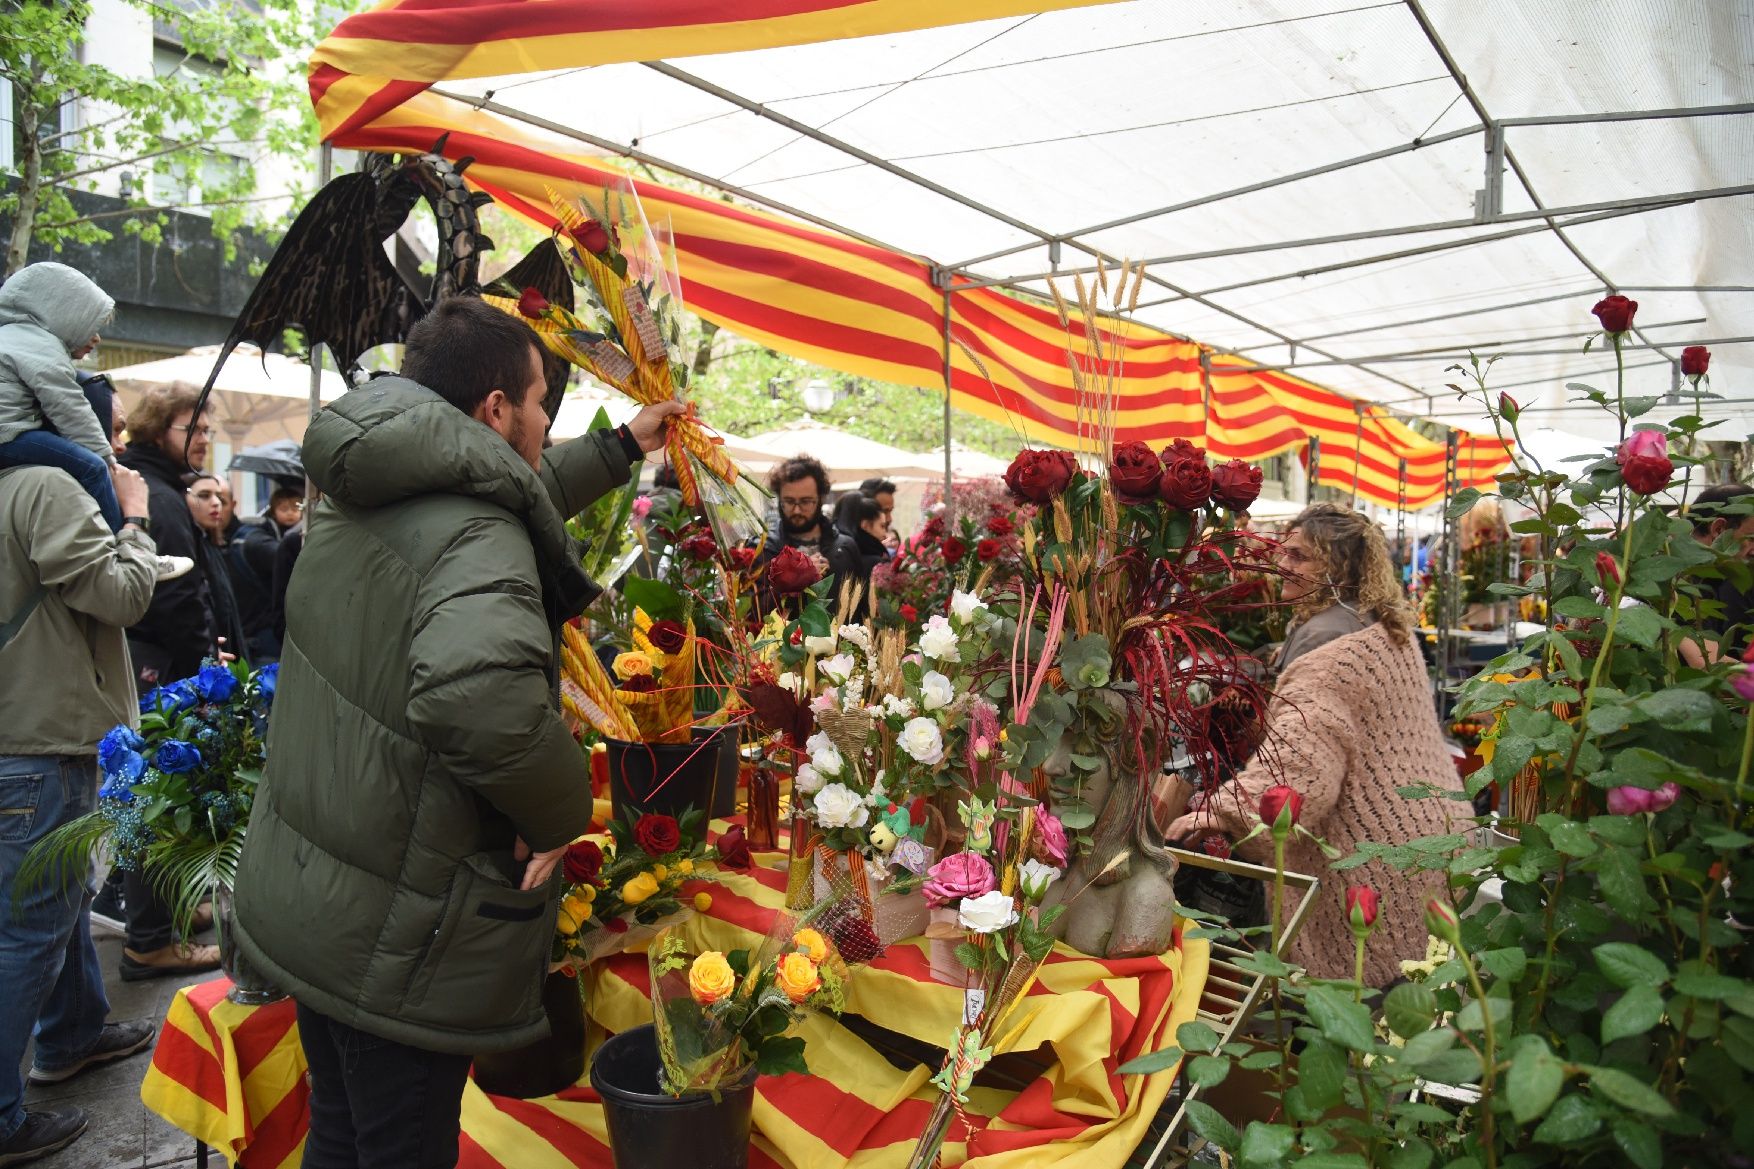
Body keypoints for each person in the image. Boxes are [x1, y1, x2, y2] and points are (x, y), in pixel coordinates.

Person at [231, 296, 681, 1169]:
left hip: (321, 894)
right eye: (542, 399)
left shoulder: (376, 482)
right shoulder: (477, 531)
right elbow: (474, 698)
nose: (550, 420)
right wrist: (560, 810)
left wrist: (624, 444)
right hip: (397, 918)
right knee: (398, 1148)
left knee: (342, 1134)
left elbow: (509, 494)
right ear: (494, 411)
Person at [1168, 503, 1461, 987]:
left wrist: (1217, 810)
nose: (1282, 566)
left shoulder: (1328, 638)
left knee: (1353, 1008)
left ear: (1338, 567)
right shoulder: (1374, 622)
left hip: (1374, 844)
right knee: (1412, 1007)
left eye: (1300, 557)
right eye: (1284, 554)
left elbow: (1301, 763)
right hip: (1425, 831)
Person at [0, 420, 161, 1163]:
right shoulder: (45, 485)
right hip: (42, 740)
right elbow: (124, 595)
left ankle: (72, 1032)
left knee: (53, 912)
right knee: (27, 931)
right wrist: (134, 518)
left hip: (23, 735)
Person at [112, 382, 226, 981]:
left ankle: (168, 916)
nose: (204, 439)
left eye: (208, 429)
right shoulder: (155, 495)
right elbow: (178, 600)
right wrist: (207, 671)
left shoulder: (158, 489)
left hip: (158, 667)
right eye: (193, 428)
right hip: (162, 673)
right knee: (153, 805)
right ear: (161, 431)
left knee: (157, 803)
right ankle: (150, 938)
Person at [0, 262, 125, 533]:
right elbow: (70, 410)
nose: (97, 339)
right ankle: (123, 550)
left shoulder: (13, 336)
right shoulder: (41, 346)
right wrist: (107, 459)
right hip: (6, 436)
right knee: (93, 468)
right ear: (63, 315)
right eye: (89, 326)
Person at [758, 454, 862, 613]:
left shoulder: (844, 547)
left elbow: (860, 611)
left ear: (820, 498)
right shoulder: (765, 548)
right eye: (789, 501)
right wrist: (796, 578)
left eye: (806, 501)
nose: (797, 510)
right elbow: (755, 611)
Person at [225, 485, 301, 663]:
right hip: (263, 634)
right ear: (273, 511)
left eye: (296, 507)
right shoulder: (261, 540)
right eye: (284, 508)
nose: (290, 513)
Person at [1682, 483, 1754, 665]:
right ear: (1719, 530)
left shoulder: (1712, 578)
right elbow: (1707, 664)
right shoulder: (1676, 582)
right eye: (1752, 538)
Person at [185, 474, 249, 662]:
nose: (215, 503)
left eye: (220, 498)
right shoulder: (190, 546)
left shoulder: (212, 547)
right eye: (204, 495)